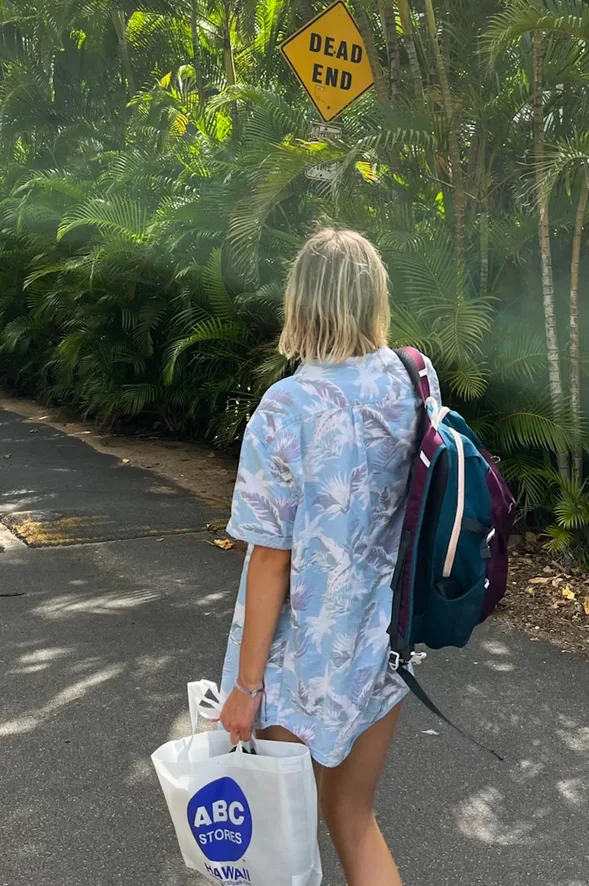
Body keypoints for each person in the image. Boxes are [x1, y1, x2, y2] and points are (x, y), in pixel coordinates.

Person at [219, 227, 439, 886]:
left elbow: (271, 561)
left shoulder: (286, 407)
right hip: (383, 647)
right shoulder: (410, 379)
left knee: (279, 847)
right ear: (373, 297)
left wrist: (246, 690)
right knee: (354, 819)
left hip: (303, 667)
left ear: (302, 303)